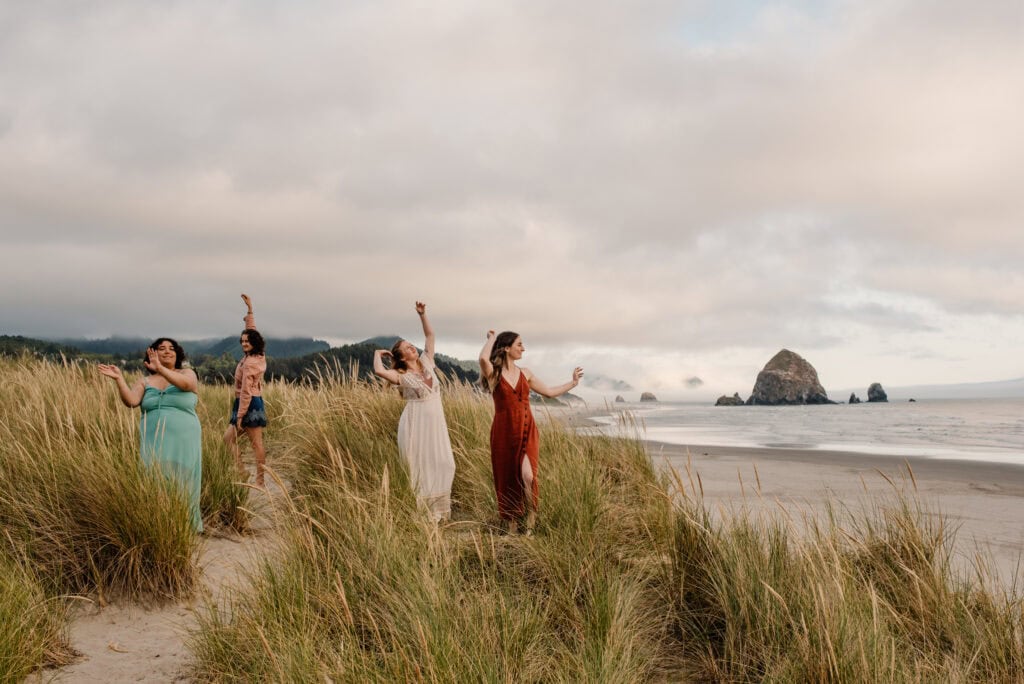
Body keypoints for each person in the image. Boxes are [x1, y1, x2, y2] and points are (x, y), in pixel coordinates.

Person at [478, 330, 583, 534]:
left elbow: (549, 392)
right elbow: (483, 358)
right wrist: (492, 338)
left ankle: (531, 522)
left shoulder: (526, 373)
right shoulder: (494, 373)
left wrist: (573, 383)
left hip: (527, 429)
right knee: (507, 479)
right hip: (504, 432)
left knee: (528, 476)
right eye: (519, 344)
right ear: (507, 348)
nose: (523, 348)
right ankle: (511, 525)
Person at [98, 339, 203, 533]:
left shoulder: (187, 373)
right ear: (152, 355)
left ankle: (185, 527)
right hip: (153, 437)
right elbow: (131, 401)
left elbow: (187, 385)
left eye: (171, 349)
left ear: (178, 354)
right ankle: (158, 524)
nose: (167, 352)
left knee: (183, 478)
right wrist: (119, 379)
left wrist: (161, 369)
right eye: (161, 349)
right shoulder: (145, 381)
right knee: (154, 477)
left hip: (184, 437)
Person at [373, 302, 456, 521]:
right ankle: (425, 516)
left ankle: (439, 511)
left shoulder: (427, 362)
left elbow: (430, 335)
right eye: (407, 348)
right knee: (421, 467)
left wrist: (423, 315)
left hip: (436, 425)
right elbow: (379, 370)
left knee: (446, 463)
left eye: (412, 345)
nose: (412, 348)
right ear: (401, 357)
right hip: (415, 425)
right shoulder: (403, 377)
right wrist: (377, 353)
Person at [223, 294, 268, 487]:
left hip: (249, 404)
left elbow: (246, 392)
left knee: (256, 443)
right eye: (242, 341)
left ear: (254, 343)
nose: (243, 343)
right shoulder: (256, 355)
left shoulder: (250, 363)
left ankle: (260, 480)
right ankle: (242, 472)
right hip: (244, 403)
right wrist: (250, 311)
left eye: (247, 342)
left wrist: (240, 416)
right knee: (228, 439)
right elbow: (252, 331)